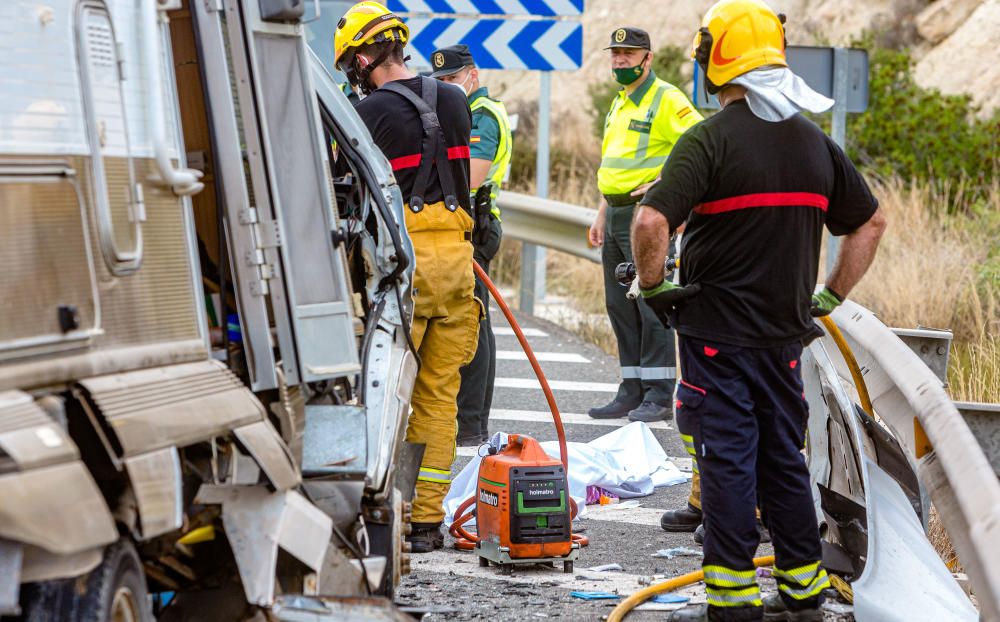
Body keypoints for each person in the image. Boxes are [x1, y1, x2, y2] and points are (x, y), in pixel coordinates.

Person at [630, 0, 887, 619]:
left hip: (716, 342)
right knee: (783, 463)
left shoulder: (707, 142)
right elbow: (871, 223)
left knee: (726, 465)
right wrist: (829, 296)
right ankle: (804, 597)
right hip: (784, 342)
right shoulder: (815, 145)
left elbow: (649, 219)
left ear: (714, 61)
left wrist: (656, 285)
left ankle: (733, 605)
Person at [334, 1, 481, 553]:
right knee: (440, 398)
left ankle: (379, 510)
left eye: (354, 60)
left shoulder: (367, 114)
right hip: (458, 266)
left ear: (366, 56)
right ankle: (425, 522)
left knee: (384, 391)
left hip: (405, 266)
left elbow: (343, 190)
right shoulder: (455, 99)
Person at [589, 27, 703, 423]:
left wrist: (671, 187)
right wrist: (602, 211)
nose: (620, 60)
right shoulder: (620, 102)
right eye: (616, 53)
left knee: (651, 303)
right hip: (617, 211)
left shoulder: (666, 98)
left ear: (647, 58)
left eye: (629, 53)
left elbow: (700, 143)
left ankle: (657, 393)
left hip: (648, 214)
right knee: (620, 305)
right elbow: (615, 164)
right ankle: (631, 389)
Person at [430, 44, 513, 446]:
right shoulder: (456, 111)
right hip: (464, 225)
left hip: (477, 227)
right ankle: (467, 417)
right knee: (469, 322)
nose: (448, 86)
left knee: (475, 325)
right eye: (441, 81)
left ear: (472, 75)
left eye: (453, 78)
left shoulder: (482, 115)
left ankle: (472, 422)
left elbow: (472, 175)